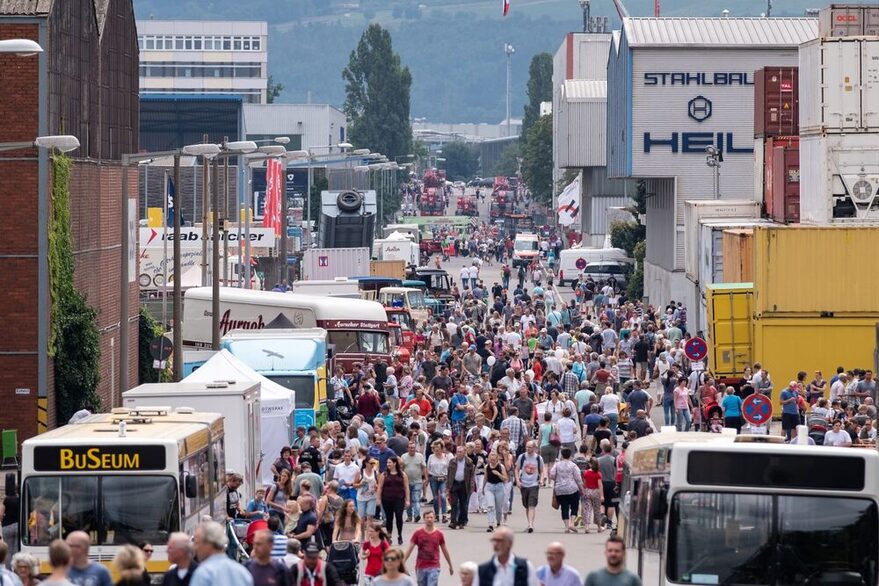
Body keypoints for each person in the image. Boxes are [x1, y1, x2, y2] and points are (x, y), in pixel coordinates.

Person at [190, 521, 253, 586]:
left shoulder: (203, 573)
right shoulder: (242, 572)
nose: (195, 548)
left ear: (208, 544)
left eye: (197, 543)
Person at [403, 511, 454, 586]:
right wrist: (402, 562)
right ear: (424, 519)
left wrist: (450, 565)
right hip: (420, 566)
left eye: (431, 517)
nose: (429, 519)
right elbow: (410, 549)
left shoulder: (439, 534)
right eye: (427, 517)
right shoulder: (418, 533)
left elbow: (444, 550)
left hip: (434, 566)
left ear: (434, 518)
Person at [548, 447, 584, 534]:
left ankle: (566, 526)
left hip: (560, 489)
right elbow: (578, 478)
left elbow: (552, 475)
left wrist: (557, 479)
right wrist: (581, 488)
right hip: (572, 488)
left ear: (562, 455)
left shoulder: (557, 464)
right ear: (570, 455)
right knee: (574, 506)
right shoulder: (573, 465)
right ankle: (572, 523)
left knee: (564, 507)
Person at [377, 456, 411, 545]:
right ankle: (389, 536)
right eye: (387, 463)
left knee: (399, 517)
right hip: (387, 499)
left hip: (399, 499)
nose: (388, 464)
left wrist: (407, 500)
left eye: (390, 462)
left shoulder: (402, 475)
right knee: (389, 518)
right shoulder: (384, 475)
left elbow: (406, 487)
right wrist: (378, 499)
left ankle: (399, 535)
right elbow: (380, 487)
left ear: (395, 463)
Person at [514, 440, 545, 533]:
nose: (528, 449)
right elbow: (516, 469)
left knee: (532, 505)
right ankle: (529, 523)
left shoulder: (538, 458)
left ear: (534, 448)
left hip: (534, 484)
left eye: (530, 447)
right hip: (524, 483)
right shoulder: (522, 457)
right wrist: (517, 480)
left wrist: (541, 480)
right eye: (527, 447)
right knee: (526, 505)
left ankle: (531, 524)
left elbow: (542, 470)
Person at [446, 446, 475, 530]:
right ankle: (453, 521)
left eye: (460, 452)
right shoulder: (452, 462)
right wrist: (447, 486)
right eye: (457, 452)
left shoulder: (469, 462)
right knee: (454, 503)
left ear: (464, 452)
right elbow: (449, 474)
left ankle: (461, 521)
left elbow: (471, 476)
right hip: (454, 484)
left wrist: (471, 487)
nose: (459, 453)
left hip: (464, 484)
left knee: (463, 504)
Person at [401, 441, 428, 523]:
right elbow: (401, 469)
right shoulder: (404, 457)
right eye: (410, 448)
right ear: (407, 448)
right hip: (406, 482)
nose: (412, 449)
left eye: (413, 447)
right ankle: (409, 516)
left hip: (417, 481)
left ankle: (416, 515)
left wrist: (426, 477)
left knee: (416, 499)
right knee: (408, 499)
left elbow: (423, 467)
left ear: (415, 448)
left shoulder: (420, 456)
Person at [482, 451, 508, 533]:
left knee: (498, 507)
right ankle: (490, 524)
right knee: (490, 506)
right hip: (489, 487)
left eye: (494, 459)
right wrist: (483, 488)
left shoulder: (501, 467)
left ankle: (498, 522)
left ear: (497, 459)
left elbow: (505, 478)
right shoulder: (487, 467)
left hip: (499, 487)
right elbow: (485, 477)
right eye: (491, 459)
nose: (492, 461)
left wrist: (498, 474)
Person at [580, 458, 604, 533]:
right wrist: (602, 495)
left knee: (587, 509)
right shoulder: (598, 474)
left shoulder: (586, 473)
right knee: (597, 510)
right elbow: (600, 486)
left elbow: (584, 483)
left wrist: (583, 490)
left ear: (590, 464)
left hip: (587, 491)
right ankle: (599, 527)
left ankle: (587, 526)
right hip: (595, 492)